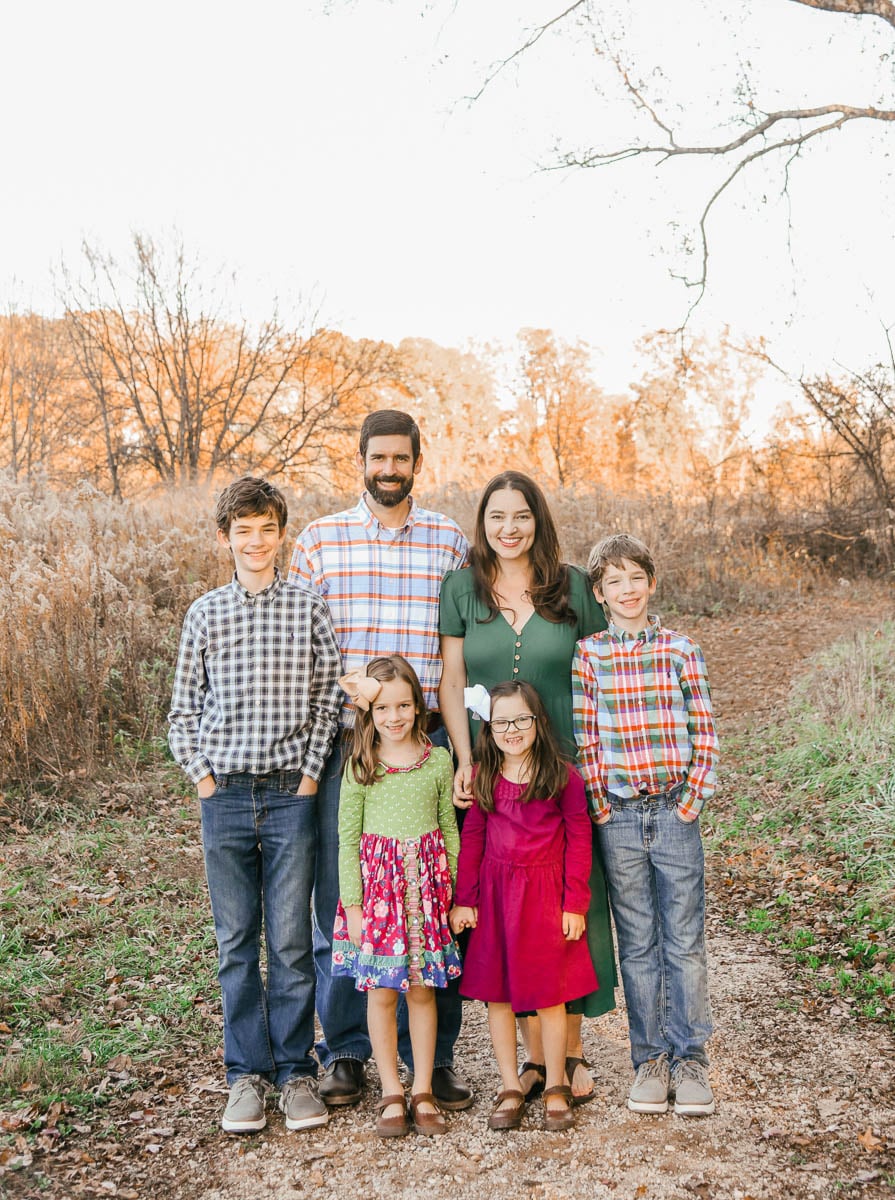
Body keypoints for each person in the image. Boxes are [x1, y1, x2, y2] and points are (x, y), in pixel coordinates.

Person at [289, 410, 473, 1110]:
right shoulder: (320, 541)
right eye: (378, 457)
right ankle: (345, 1051)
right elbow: (300, 647)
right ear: (361, 460)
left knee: (434, 889)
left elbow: (461, 644)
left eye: (400, 458)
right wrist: (356, 688)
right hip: (350, 745)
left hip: (427, 742)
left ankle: (437, 1057)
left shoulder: (448, 540)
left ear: (417, 462)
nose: (388, 469)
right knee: (347, 894)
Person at [168, 476, 342, 1134]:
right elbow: (183, 711)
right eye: (243, 530)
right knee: (237, 941)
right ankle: (245, 1076)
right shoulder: (206, 613)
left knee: (292, 941)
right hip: (227, 797)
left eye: (267, 528)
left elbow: (328, 698)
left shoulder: (307, 608)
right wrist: (204, 780)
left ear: (281, 534)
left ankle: (295, 1072)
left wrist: (310, 775)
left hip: (290, 793)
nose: (256, 541)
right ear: (225, 538)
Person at [438, 469, 616, 1103]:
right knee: (508, 907)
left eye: (521, 516)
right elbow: (452, 681)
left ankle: (568, 1051)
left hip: (563, 761)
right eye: (496, 516)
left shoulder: (572, 586)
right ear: (481, 523)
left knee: (569, 902)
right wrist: (465, 759)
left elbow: (602, 672)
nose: (508, 528)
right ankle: (531, 1060)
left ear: (538, 521)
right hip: (495, 767)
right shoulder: (461, 588)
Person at [572, 533, 719, 1117]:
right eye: (614, 581)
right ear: (600, 593)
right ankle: (650, 1060)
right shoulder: (590, 655)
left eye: (636, 577)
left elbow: (704, 730)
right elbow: (586, 737)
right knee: (636, 943)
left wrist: (690, 802)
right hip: (620, 815)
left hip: (674, 808)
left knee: (684, 940)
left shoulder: (681, 649)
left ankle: (691, 1061)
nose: (627, 589)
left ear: (651, 583)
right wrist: (601, 805)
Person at [450, 681, 596, 1132]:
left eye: (520, 720)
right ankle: (511, 1085)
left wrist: (575, 903)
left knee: (551, 994)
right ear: (488, 729)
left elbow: (580, 840)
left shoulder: (562, 777)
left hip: (545, 898)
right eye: (501, 723)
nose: (511, 730)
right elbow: (473, 840)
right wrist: (465, 899)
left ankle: (555, 1084)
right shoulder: (484, 778)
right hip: (496, 900)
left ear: (538, 721)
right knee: (498, 996)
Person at [333, 655, 461, 1137]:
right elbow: (347, 841)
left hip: (426, 896)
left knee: (423, 992)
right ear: (370, 712)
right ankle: (391, 1090)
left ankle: (422, 1088)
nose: (394, 717)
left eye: (403, 705)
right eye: (383, 708)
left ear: (418, 706)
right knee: (383, 993)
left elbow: (449, 830)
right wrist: (354, 907)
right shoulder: (361, 766)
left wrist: (452, 894)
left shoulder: (438, 761)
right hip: (379, 900)